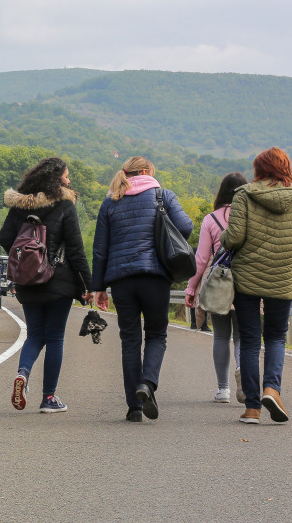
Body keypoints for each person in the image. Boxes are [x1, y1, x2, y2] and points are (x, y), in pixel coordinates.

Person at [92, 156, 193, 422]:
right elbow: (185, 227)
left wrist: (99, 287)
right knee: (157, 334)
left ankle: (134, 408)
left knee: (130, 341)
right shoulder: (163, 196)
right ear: (147, 171)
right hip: (155, 277)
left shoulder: (110, 201)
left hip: (122, 280)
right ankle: (147, 384)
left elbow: (100, 249)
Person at [220, 148, 292, 424]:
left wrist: (224, 240)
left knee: (249, 341)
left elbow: (234, 237)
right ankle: (272, 389)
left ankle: (252, 408)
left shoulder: (244, 195)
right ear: (285, 167)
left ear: (259, 169)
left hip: (247, 278)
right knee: (276, 338)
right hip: (283, 278)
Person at [0, 158, 93, 413]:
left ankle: (23, 373)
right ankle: (48, 398)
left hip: (28, 282)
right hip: (58, 281)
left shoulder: (19, 206)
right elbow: (75, 249)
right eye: (66, 176)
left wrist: (29, 261)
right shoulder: (64, 205)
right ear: (57, 179)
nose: (69, 180)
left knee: (34, 335)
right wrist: (88, 284)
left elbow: (5, 237)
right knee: (54, 338)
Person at [184, 172, 248, 404]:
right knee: (242, 336)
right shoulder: (252, 215)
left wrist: (191, 289)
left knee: (221, 336)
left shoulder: (211, 219)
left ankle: (223, 390)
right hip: (247, 281)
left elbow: (201, 259)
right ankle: (244, 372)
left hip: (219, 282)